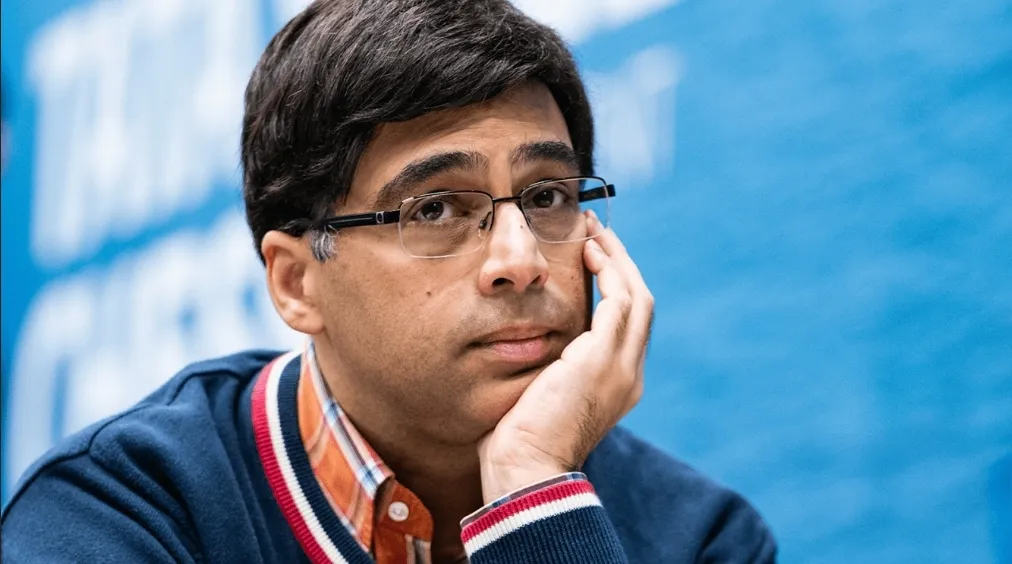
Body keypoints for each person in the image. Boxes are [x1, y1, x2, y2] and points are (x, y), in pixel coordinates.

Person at [1, 1, 776, 562]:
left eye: (547, 197)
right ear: (297, 283)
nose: (520, 260)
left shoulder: (699, 538)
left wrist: (535, 491)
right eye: (435, 208)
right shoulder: (123, 515)